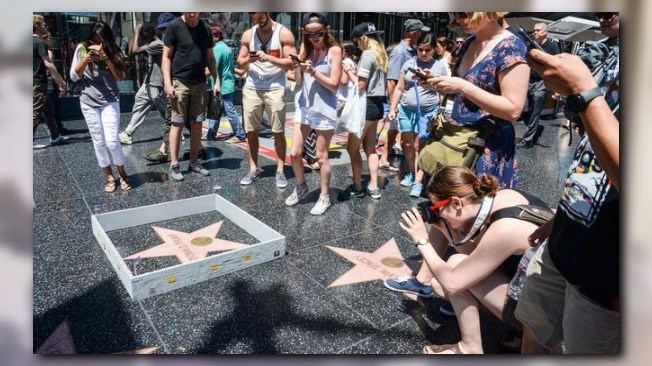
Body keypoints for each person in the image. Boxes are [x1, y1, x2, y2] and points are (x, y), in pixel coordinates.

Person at [515, 13, 620, 355]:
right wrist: (563, 214)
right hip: (567, 235)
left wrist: (582, 91)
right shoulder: (612, 52)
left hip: (610, 270)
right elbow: (591, 155)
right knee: (534, 334)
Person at [396, 166, 552, 354]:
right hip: (537, 294)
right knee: (443, 279)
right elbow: (477, 257)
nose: (437, 214)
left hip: (543, 319)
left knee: (450, 272)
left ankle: (470, 347)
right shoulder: (502, 198)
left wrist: (422, 240)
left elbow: (454, 284)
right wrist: (449, 231)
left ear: (456, 202)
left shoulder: (505, 228)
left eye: (437, 208)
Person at [422, 12, 529, 188]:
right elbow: (464, 93)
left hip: (486, 147)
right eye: (454, 14)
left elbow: (513, 110)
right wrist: (437, 83)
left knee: (475, 208)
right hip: (457, 141)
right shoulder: (469, 42)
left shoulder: (510, 46)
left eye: (463, 13)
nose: (458, 19)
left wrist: (462, 86)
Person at [284, 12, 342, 215]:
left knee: (321, 156)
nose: (314, 38)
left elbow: (335, 85)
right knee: (294, 153)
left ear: (326, 30)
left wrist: (314, 72)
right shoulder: (306, 50)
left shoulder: (334, 51)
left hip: (324, 109)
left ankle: (324, 196)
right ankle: (301, 186)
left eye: (318, 33)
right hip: (304, 107)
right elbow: (299, 82)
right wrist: (298, 68)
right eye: (309, 34)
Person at [69, 21, 131, 193]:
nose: (95, 45)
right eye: (93, 41)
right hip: (88, 101)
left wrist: (105, 57)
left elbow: (120, 77)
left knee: (112, 141)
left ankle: (122, 173)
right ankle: (109, 177)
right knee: (98, 141)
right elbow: (74, 76)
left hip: (110, 100)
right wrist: (87, 59)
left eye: (100, 41)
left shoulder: (113, 50)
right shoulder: (82, 49)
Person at [237, 12, 297, 187]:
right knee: (251, 131)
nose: (258, 21)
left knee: (278, 131)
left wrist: (269, 58)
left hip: (275, 87)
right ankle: (253, 169)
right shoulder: (249, 34)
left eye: (260, 17)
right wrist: (250, 59)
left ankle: (280, 171)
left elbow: (292, 63)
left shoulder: (283, 33)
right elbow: (240, 62)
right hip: (252, 87)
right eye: (254, 19)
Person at [162, 12, 220, 181]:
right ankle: (174, 164)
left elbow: (210, 57)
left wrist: (217, 81)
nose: (192, 13)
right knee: (177, 123)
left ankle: (194, 162)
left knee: (197, 124)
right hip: (180, 82)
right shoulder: (174, 26)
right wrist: (167, 82)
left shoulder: (205, 28)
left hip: (200, 83)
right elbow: (166, 57)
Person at [387, 33, 446, 198]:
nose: (424, 53)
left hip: (428, 110)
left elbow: (445, 90)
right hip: (406, 109)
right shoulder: (409, 63)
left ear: (434, 49)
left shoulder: (439, 66)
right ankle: (410, 173)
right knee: (407, 143)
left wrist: (430, 80)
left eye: (428, 50)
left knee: (421, 145)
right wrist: (393, 108)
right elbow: (399, 87)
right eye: (420, 49)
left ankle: (419, 181)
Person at [338, 22, 388, 200]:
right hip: (377, 105)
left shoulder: (367, 55)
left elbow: (360, 85)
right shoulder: (381, 54)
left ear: (363, 39)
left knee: (352, 148)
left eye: (357, 41)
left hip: (365, 105)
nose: (357, 45)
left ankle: (358, 186)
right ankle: (373, 186)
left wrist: (349, 70)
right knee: (370, 148)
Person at [379, 19, 430, 171]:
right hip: (400, 101)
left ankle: (384, 158)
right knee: (397, 130)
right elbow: (392, 81)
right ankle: (384, 158)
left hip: (406, 100)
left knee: (394, 130)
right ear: (415, 33)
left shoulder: (411, 51)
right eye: (421, 32)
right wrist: (393, 105)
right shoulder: (400, 52)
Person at [118, 22, 167, 145]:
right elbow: (130, 52)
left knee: (166, 111)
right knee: (139, 105)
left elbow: (134, 51)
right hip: (148, 83)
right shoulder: (150, 44)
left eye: (144, 33)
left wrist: (137, 31)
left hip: (157, 84)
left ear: (150, 32)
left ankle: (177, 130)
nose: (142, 36)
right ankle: (128, 133)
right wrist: (135, 34)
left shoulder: (157, 44)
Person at [517, 23, 560, 148]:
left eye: (538, 30)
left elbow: (556, 67)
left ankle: (527, 140)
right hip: (527, 80)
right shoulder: (530, 45)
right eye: (534, 30)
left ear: (545, 32)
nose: (535, 32)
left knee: (536, 109)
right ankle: (537, 128)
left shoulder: (552, 46)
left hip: (542, 82)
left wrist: (556, 88)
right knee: (522, 110)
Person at [203, 26, 247, 143]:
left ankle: (240, 134)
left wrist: (198, 77)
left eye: (209, 37)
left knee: (229, 110)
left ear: (217, 36)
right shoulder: (225, 48)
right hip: (226, 83)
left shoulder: (217, 49)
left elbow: (213, 68)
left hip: (222, 85)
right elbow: (229, 68)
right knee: (216, 108)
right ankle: (211, 133)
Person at [33, 14, 68, 149]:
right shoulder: (39, 43)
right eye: (43, 24)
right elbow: (48, 64)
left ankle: (55, 136)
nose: (46, 26)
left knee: (48, 109)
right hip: (38, 82)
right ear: (36, 26)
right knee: (36, 112)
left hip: (33, 82)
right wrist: (61, 82)